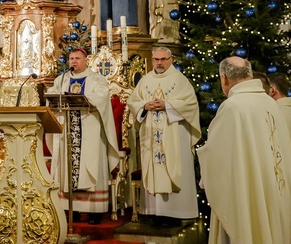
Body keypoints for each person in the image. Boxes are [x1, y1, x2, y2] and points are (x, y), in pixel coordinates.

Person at [197, 57, 291, 244]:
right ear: (249, 74)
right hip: (273, 188)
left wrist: (203, 157)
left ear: (224, 78)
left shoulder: (232, 107)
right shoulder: (270, 102)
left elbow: (217, 157)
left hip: (245, 193)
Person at [127, 46, 200, 226]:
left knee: (173, 166)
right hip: (151, 134)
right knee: (153, 168)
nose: (159, 63)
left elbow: (190, 104)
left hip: (174, 133)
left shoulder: (180, 80)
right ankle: (155, 213)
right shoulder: (145, 81)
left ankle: (175, 213)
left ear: (171, 60)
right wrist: (145, 105)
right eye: (157, 59)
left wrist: (167, 105)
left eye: (163, 59)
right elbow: (133, 102)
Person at [48, 48, 119, 225]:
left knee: (91, 165)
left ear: (86, 60)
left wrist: (84, 99)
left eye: (77, 58)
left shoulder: (97, 79)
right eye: (71, 58)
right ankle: (70, 209)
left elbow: (101, 97)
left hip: (90, 129)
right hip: (67, 129)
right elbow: (52, 94)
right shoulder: (62, 79)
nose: (73, 61)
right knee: (67, 168)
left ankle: (94, 212)